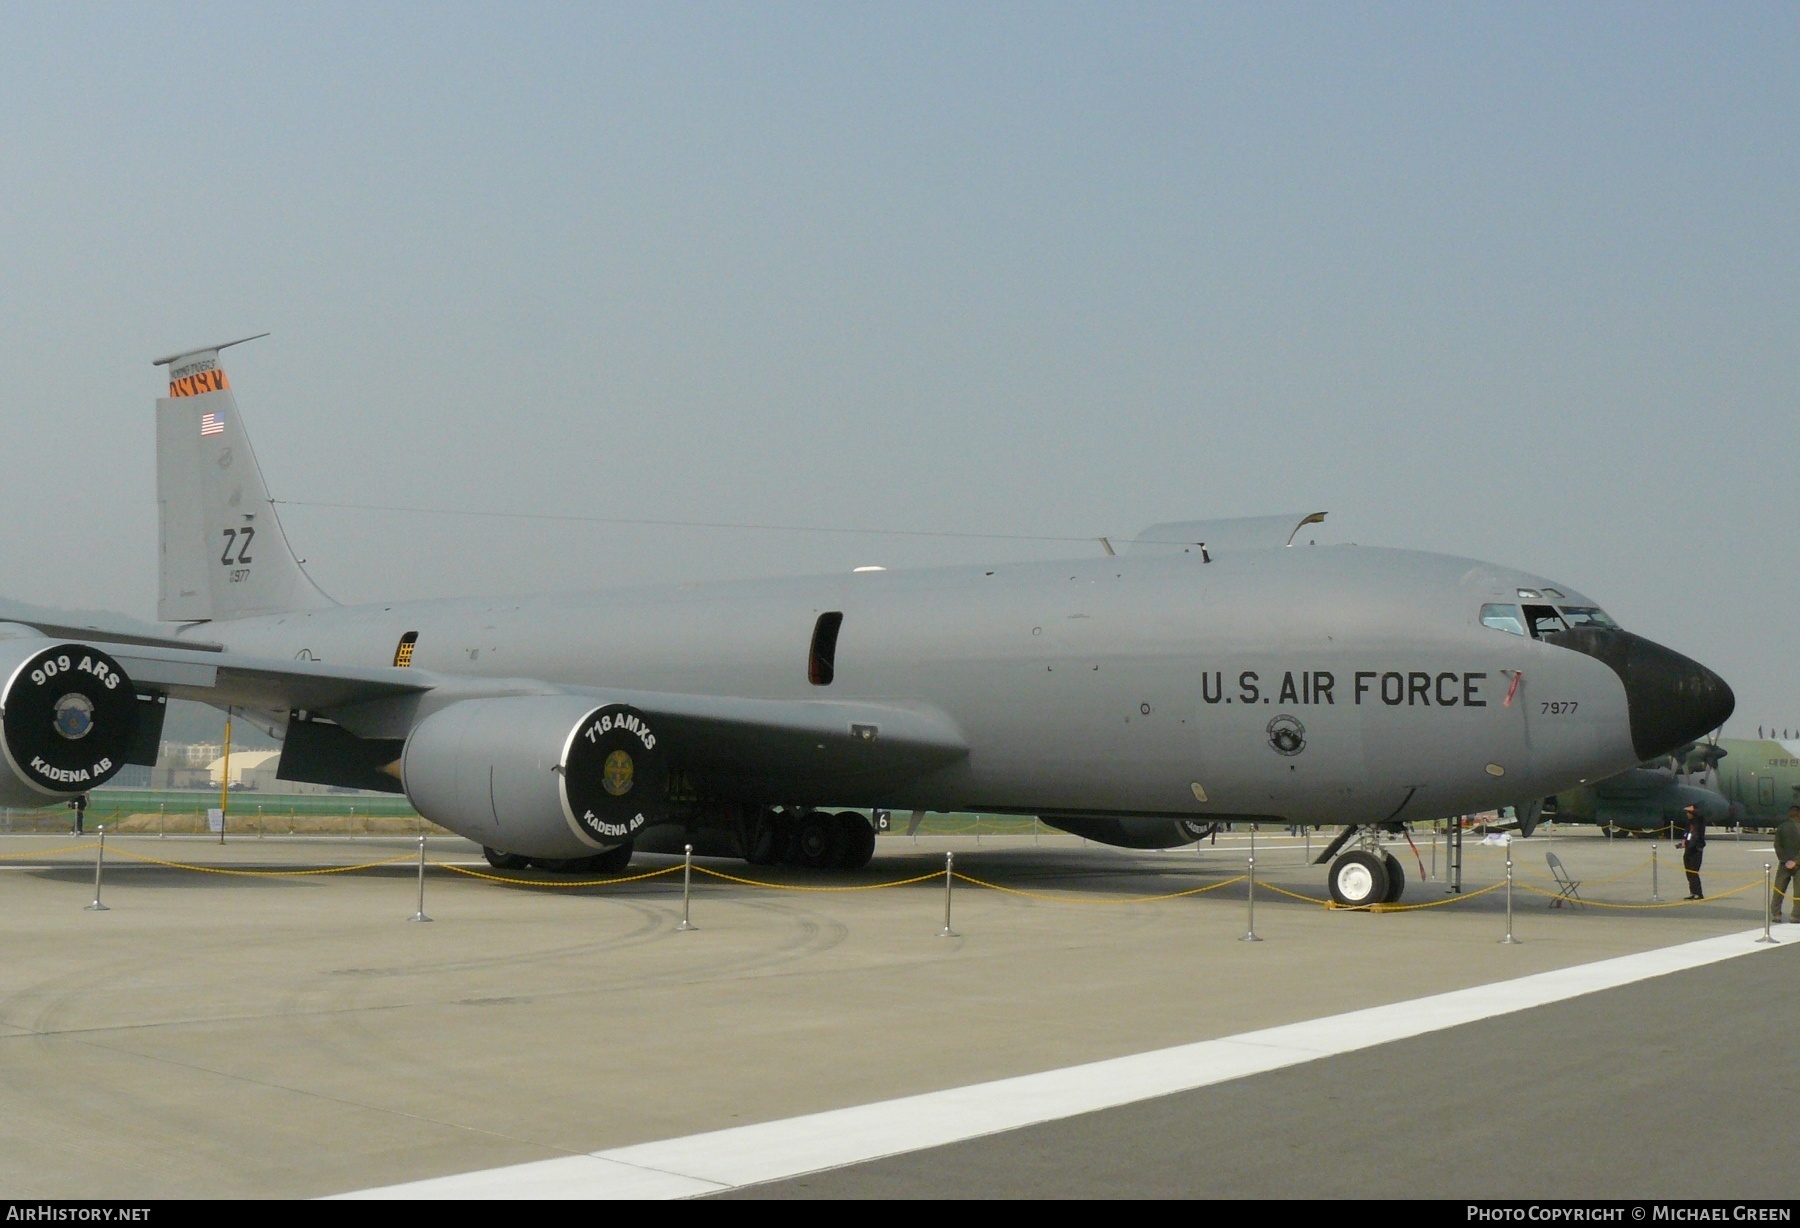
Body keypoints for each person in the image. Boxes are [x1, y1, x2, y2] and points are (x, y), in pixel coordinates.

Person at [1774, 804, 1800, 923]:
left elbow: (1777, 846)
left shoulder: (1782, 827)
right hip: (1798, 865)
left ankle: (1776, 914)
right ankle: (1795, 915)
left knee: (1779, 889)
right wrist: (1796, 861)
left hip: (1784, 863)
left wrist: (1785, 860)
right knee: (1798, 891)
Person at [1677, 803, 1707, 900]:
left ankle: (1698, 893)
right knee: (1689, 872)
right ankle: (1692, 892)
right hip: (1688, 849)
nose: (1687, 814)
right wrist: (1683, 841)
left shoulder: (1699, 820)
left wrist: (1691, 809)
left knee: (1694, 872)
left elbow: (1700, 813)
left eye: (1689, 812)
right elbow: (1686, 834)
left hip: (1696, 849)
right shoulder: (1689, 823)